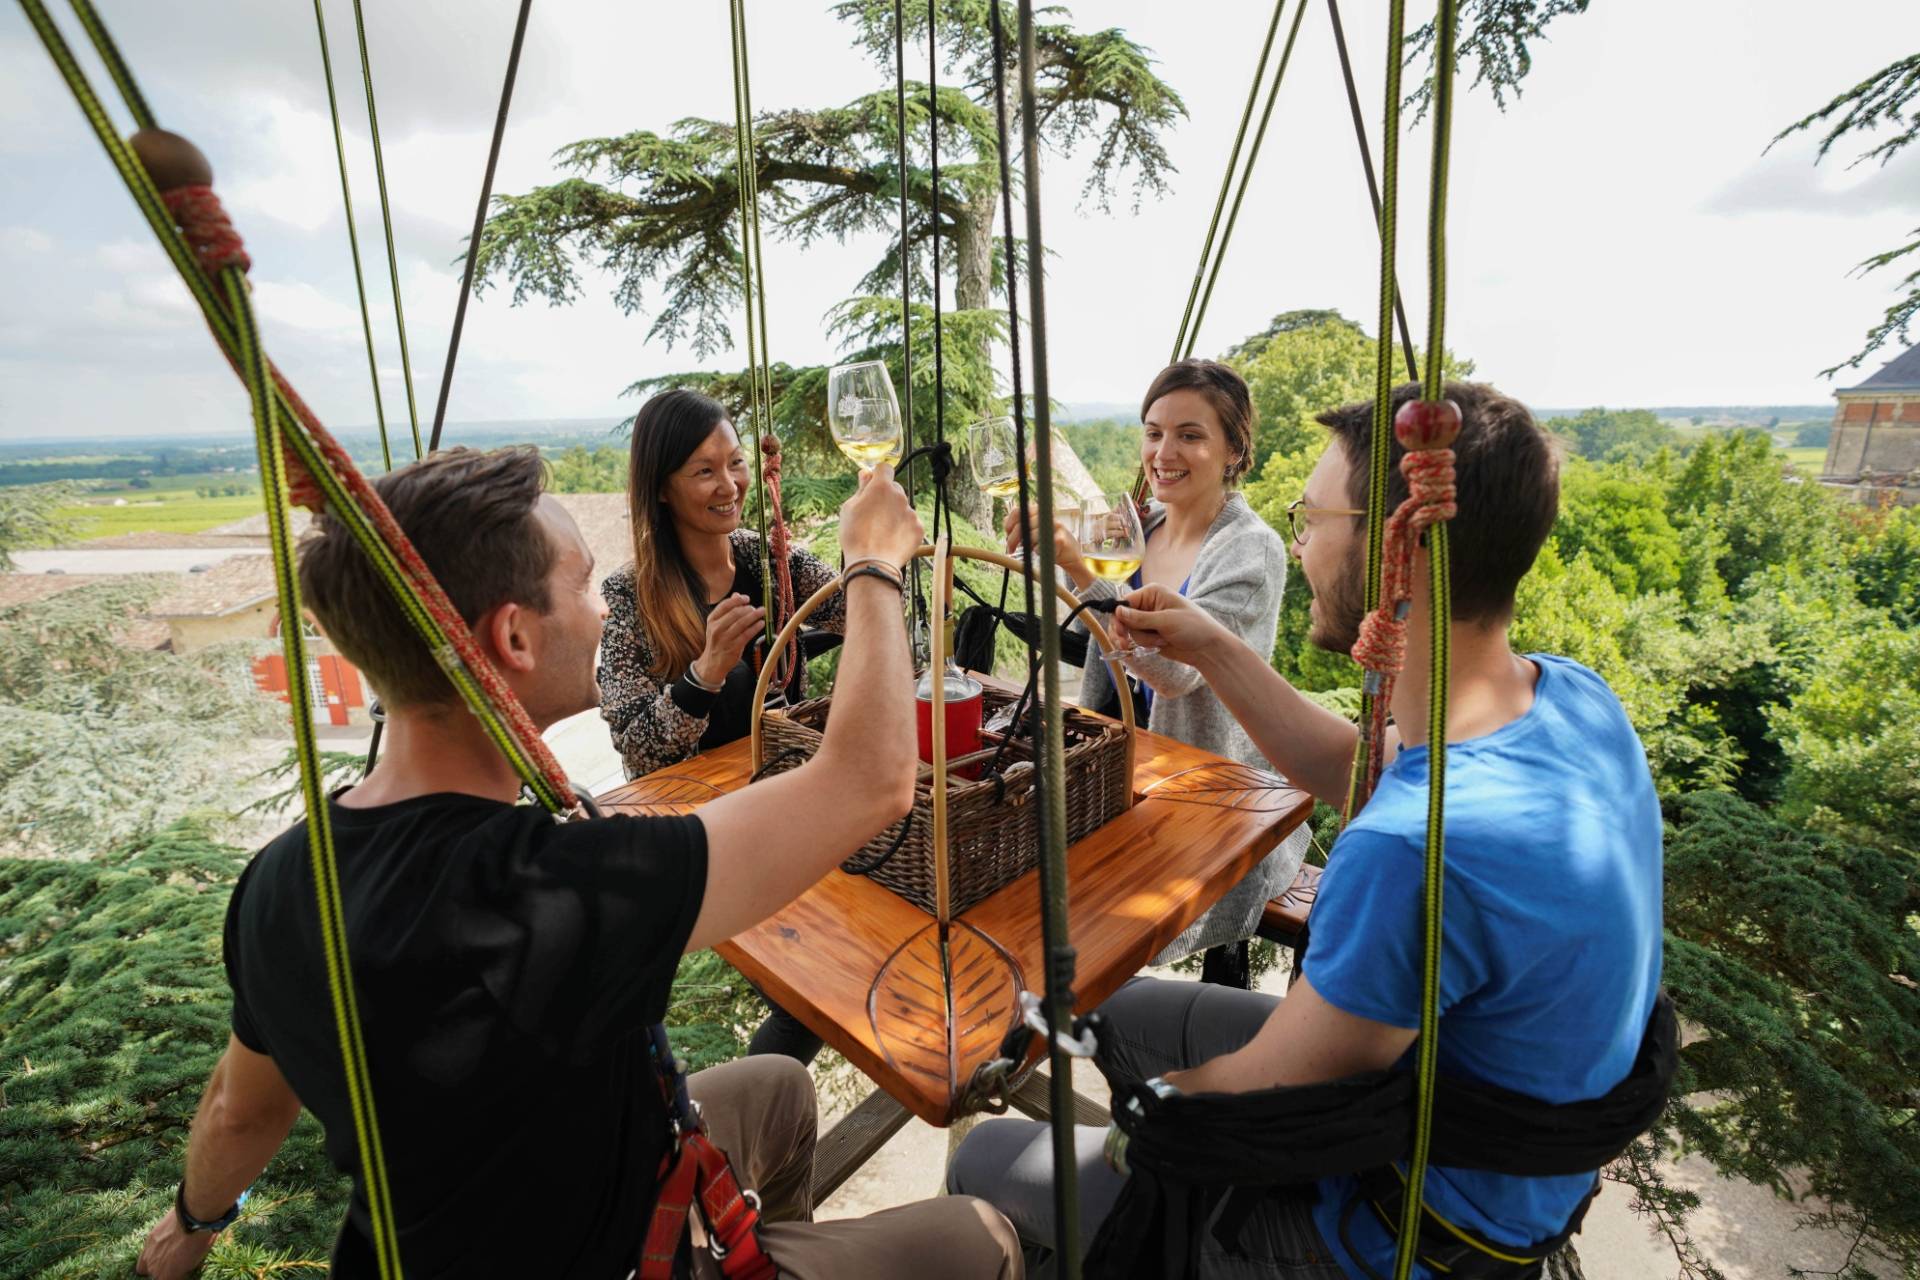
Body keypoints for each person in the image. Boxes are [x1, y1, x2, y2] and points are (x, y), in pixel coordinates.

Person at [134, 447, 1021, 1280]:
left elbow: (241, 1108)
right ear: (514, 639)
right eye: (584, 584)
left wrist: (190, 1227)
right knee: (980, 1235)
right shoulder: (556, 890)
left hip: (470, 1226)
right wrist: (873, 564)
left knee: (782, 1086)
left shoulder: (283, 877)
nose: (603, 610)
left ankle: (769, 1248)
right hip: (619, 1252)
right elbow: (869, 782)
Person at [953, 382, 1664, 1280]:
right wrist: (1213, 645)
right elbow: (1359, 767)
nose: (1297, 537)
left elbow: (1275, 1089)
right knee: (1115, 1004)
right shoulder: (1568, 696)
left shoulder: (1412, 849)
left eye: (1313, 516)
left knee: (984, 1159)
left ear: (1398, 553)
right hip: (1470, 1123)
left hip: (1397, 1221)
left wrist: (1146, 1127)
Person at [1004, 358, 1309, 987]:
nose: (1163, 452)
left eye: (1190, 435)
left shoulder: (1251, 549)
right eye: (1152, 432)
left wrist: (1085, 573)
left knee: (1102, 933)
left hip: (1210, 792)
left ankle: (1159, 1032)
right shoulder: (1138, 526)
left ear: (1234, 451)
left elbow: (1177, 674)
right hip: (1121, 764)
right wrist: (1053, 558)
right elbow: (1089, 615)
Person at [599, 387, 843, 1063]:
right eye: (704, 471)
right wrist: (703, 675)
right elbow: (637, 746)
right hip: (699, 832)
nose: (729, 483)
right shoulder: (634, 596)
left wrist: (864, 544)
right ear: (663, 490)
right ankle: (743, 1132)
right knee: (810, 996)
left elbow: (860, 609)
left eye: (735, 463)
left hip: (783, 802)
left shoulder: (771, 562)